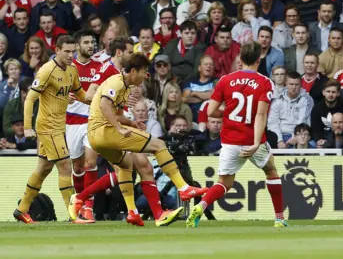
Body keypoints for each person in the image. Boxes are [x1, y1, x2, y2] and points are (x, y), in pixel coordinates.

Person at [70, 53, 207, 227]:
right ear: (133, 71)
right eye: (144, 72)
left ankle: (132, 212)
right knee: (159, 145)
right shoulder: (116, 82)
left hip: (97, 136)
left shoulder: (125, 87)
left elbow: (118, 115)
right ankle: (183, 188)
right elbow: (105, 105)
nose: (145, 76)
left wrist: (132, 123)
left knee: (126, 166)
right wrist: (119, 128)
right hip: (104, 131)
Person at [187, 41, 287, 228]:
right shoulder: (265, 82)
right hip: (251, 139)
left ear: (240, 59)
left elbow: (210, 112)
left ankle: (201, 205)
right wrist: (257, 142)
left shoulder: (226, 80)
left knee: (224, 183)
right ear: (259, 60)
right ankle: (279, 218)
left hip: (231, 140)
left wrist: (229, 107)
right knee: (271, 171)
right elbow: (261, 114)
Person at [13, 35, 89, 224]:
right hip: (48, 127)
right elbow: (30, 98)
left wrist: (102, 101)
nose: (71, 55)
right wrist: (28, 127)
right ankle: (73, 215)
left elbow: (81, 94)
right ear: (57, 50)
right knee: (65, 167)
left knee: (43, 169)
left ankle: (21, 209)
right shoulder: (46, 70)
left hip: (59, 126)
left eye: (74, 51)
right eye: (67, 51)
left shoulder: (72, 70)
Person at [64, 31, 103, 223]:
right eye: (86, 42)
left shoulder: (100, 68)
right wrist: (64, 97)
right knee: (77, 166)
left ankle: (88, 207)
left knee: (90, 163)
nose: (90, 45)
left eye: (92, 42)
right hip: (71, 122)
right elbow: (54, 93)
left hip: (92, 121)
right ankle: (78, 204)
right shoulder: (69, 68)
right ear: (77, 46)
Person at [268, 71, 314, 149]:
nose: (293, 87)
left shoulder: (307, 99)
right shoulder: (277, 98)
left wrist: (294, 138)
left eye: (296, 84)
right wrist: (279, 140)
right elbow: (272, 122)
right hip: (279, 134)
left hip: (299, 135)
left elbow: (302, 121)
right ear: (286, 84)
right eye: (291, 84)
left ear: (301, 85)